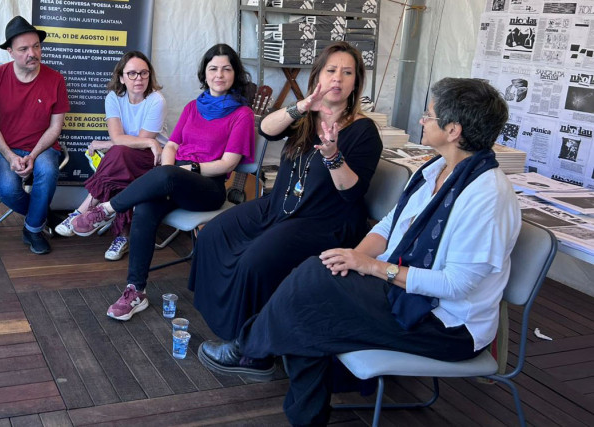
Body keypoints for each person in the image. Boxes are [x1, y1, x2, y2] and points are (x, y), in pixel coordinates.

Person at [199, 78, 520, 427]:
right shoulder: (437, 168)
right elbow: (389, 225)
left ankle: (250, 351)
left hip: (447, 326)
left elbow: (456, 286)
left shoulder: (487, 197)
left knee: (310, 290)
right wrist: (350, 259)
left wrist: (369, 267)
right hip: (406, 293)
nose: (422, 121)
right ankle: (285, 390)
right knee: (315, 287)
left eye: (429, 115)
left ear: (454, 129)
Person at [189, 42, 381, 341]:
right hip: (278, 206)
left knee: (255, 262)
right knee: (213, 234)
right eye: (331, 71)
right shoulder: (305, 116)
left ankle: (250, 344)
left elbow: (351, 193)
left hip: (323, 220)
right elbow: (267, 128)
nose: (337, 79)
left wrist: (333, 156)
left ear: (356, 82)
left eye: (347, 73)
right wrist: (302, 106)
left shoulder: (363, 130)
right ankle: (218, 317)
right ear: (318, 76)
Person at [70, 43, 256, 320]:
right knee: (145, 207)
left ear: (235, 74)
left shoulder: (242, 114)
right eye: (213, 68)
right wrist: (168, 174)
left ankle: (107, 209)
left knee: (165, 175)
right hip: (176, 178)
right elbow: (171, 145)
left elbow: (228, 163)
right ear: (204, 74)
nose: (219, 74)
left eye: (226, 69)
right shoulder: (194, 107)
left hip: (209, 186)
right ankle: (136, 291)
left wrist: (184, 171)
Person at [55, 51, 166, 261]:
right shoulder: (114, 97)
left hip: (153, 160)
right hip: (125, 158)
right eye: (132, 74)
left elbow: (141, 142)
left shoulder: (156, 100)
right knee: (120, 163)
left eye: (143, 73)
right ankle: (122, 236)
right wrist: (114, 143)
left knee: (119, 155)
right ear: (122, 77)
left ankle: (80, 213)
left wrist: (150, 142)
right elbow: (118, 137)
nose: (138, 78)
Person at [0, 16, 70, 255]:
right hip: (3, 149)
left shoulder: (55, 79)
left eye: (36, 46)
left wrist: (33, 155)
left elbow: (55, 128)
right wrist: (10, 156)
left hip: (43, 147)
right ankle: (43, 215)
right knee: (9, 190)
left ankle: (32, 229)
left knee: (48, 170)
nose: (32, 53)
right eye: (23, 49)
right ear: (10, 52)